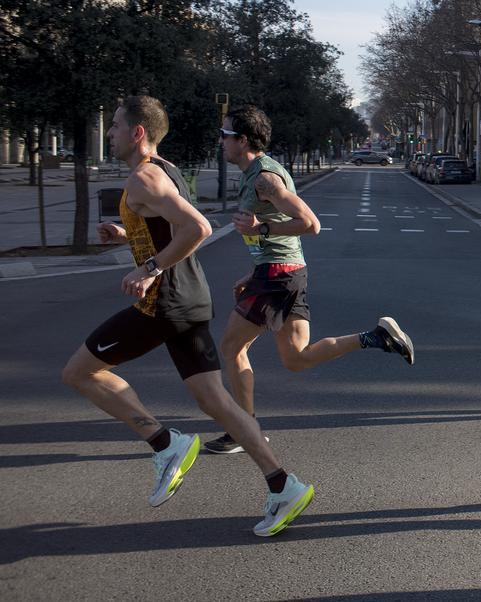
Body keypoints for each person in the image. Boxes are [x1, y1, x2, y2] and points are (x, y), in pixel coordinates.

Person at [60, 96, 314, 536]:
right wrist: (127, 235)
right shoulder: (166, 168)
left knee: (80, 372)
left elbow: (197, 227)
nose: (111, 133)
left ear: (139, 132)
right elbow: (169, 228)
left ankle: (165, 443)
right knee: (214, 400)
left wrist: (149, 268)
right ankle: (283, 485)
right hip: (189, 297)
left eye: (117, 125)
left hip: (164, 303)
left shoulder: (144, 178)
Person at [204, 105, 415, 455]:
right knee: (296, 358)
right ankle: (375, 337)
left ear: (243, 140)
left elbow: (310, 223)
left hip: (278, 275)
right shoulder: (255, 173)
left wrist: (262, 229)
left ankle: (245, 429)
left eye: (226, 135)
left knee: (231, 347)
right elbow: (282, 238)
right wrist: (254, 269)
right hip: (284, 272)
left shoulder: (264, 178)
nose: (221, 141)